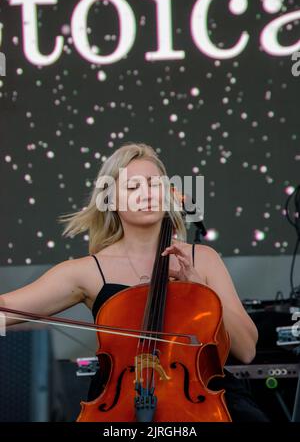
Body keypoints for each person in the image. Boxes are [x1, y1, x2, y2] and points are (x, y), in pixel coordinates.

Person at [0, 142, 268, 422]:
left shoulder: (202, 258)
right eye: (132, 188)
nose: (147, 194)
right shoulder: (86, 271)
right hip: (121, 402)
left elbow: (247, 350)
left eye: (154, 185)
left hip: (202, 399)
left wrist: (200, 289)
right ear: (111, 200)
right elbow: (6, 309)